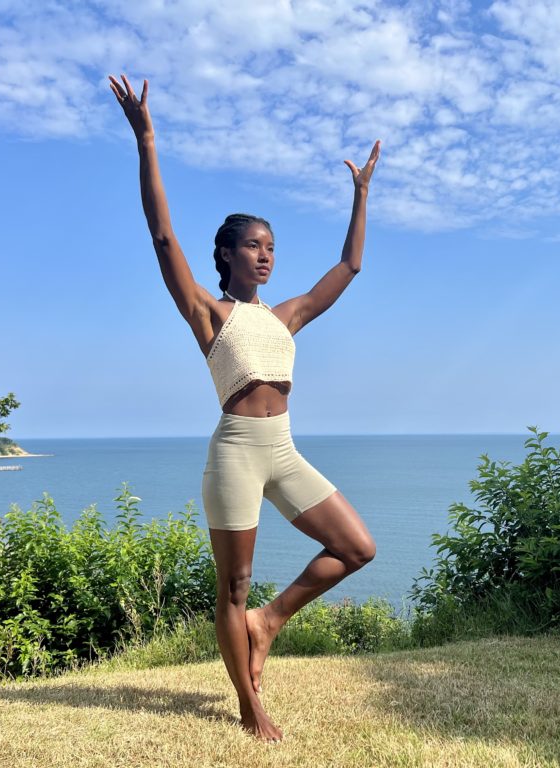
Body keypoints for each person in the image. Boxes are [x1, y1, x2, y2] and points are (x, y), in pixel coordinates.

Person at [109, 75, 380, 743]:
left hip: (283, 450)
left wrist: (361, 194)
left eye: (272, 247)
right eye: (256, 246)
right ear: (228, 254)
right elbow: (164, 239)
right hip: (234, 452)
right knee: (231, 589)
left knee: (356, 547)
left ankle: (270, 621)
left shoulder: (286, 316)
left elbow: (348, 267)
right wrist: (147, 139)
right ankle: (250, 707)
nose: (267, 255)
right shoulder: (210, 313)